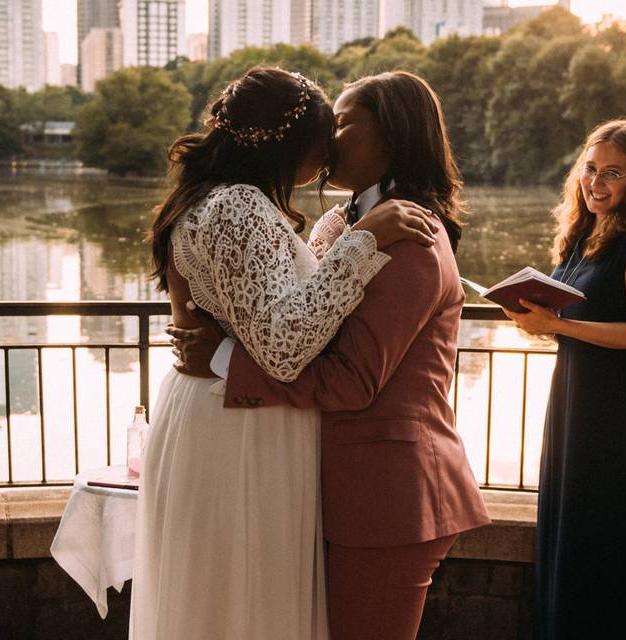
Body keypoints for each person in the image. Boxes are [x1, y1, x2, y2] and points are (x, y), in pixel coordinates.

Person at [171, 71, 492, 640]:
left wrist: (224, 360)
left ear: (392, 138)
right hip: (330, 488)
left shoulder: (413, 235)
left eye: (345, 123)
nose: (329, 137)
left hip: (387, 499)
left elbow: (351, 381)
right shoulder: (344, 223)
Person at [501, 119, 626, 639]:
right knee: (567, 534)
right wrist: (534, 312)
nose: (596, 183)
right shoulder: (581, 233)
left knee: (605, 543)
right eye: (590, 169)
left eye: (612, 174)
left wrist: (556, 324)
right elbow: (570, 318)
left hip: (620, 411)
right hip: (574, 400)